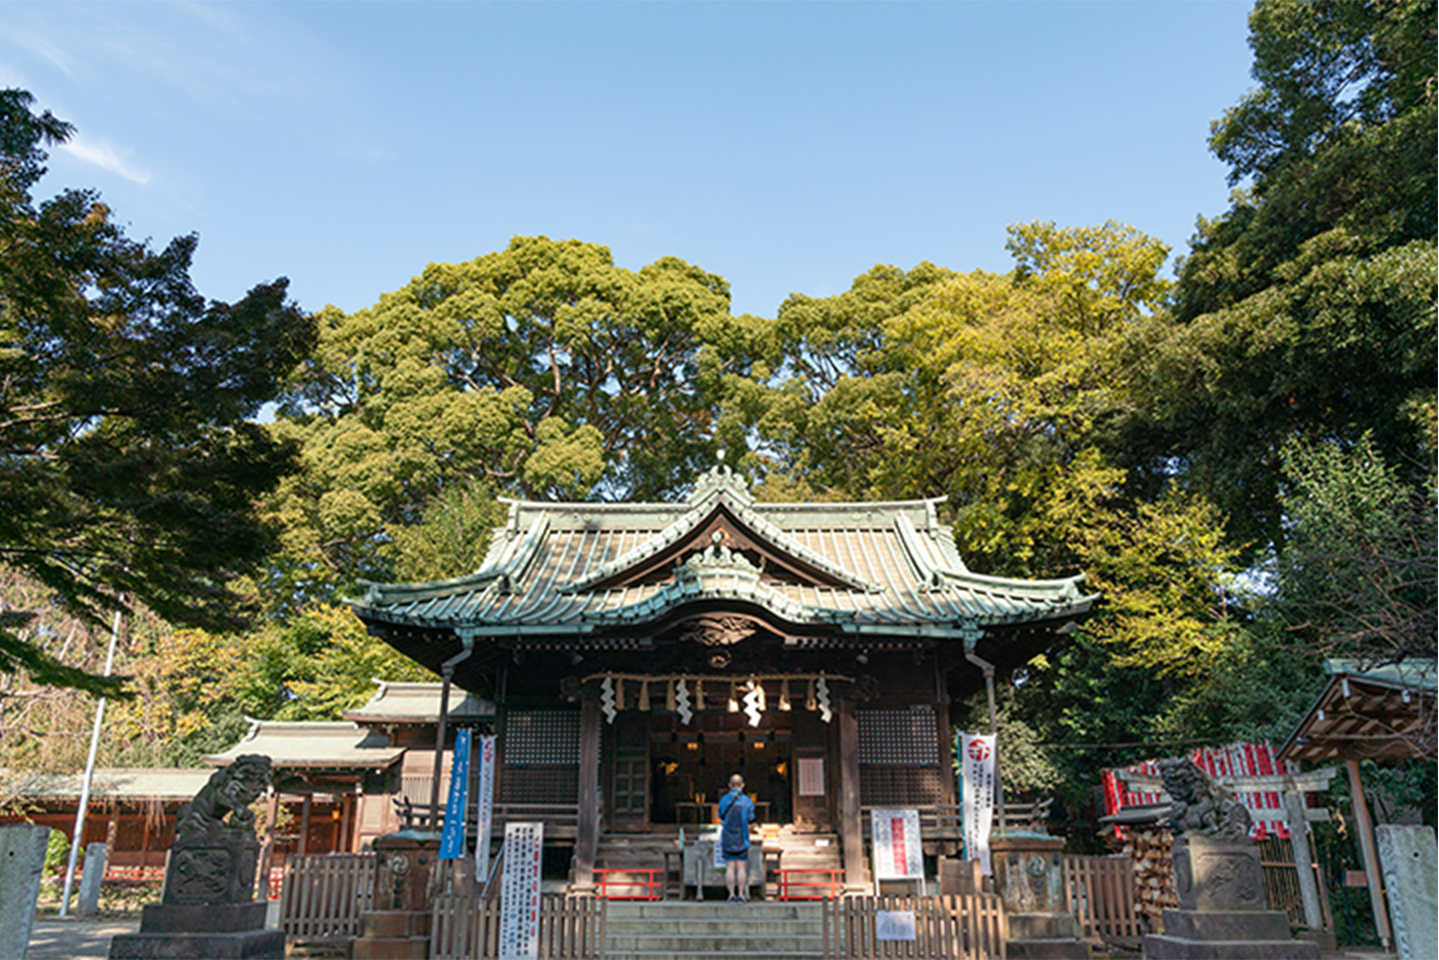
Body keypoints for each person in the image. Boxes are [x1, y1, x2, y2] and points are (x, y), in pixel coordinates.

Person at [718, 773, 755, 902]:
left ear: (730, 785)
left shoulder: (724, 800)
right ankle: (740, 893)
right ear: (743, 785)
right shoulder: (747, 800)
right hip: (742, 837)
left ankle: (731, 894)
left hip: (728, 836)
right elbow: (751, 818)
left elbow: (720, 815)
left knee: (729, 867)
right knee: (741, 867)